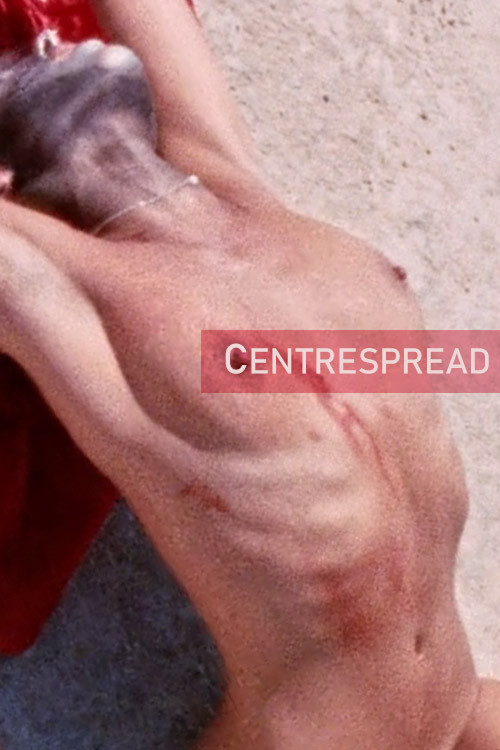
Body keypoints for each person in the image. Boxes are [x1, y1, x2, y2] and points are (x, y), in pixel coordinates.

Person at [0, 1, 498, 748]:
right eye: (33, 67)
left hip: (462, 706)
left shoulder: (232, 188)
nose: (58, 42)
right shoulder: (87, 306)